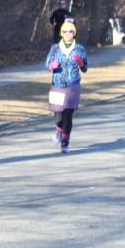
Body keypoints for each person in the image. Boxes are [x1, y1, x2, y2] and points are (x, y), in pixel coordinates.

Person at [45, 19, 88, 154]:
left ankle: (65, 143)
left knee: (68, 115)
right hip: (57, 85)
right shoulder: (55, 48)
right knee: (58, 117)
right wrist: (52, 66)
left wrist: (80, 63)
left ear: (74, 33)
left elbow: (85, 68)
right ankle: (59, 129)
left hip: (72, 86)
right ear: (61, 33)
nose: (68, 33)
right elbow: (46, 64)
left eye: (70, 31)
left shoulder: (80, 49)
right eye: (65, 31)